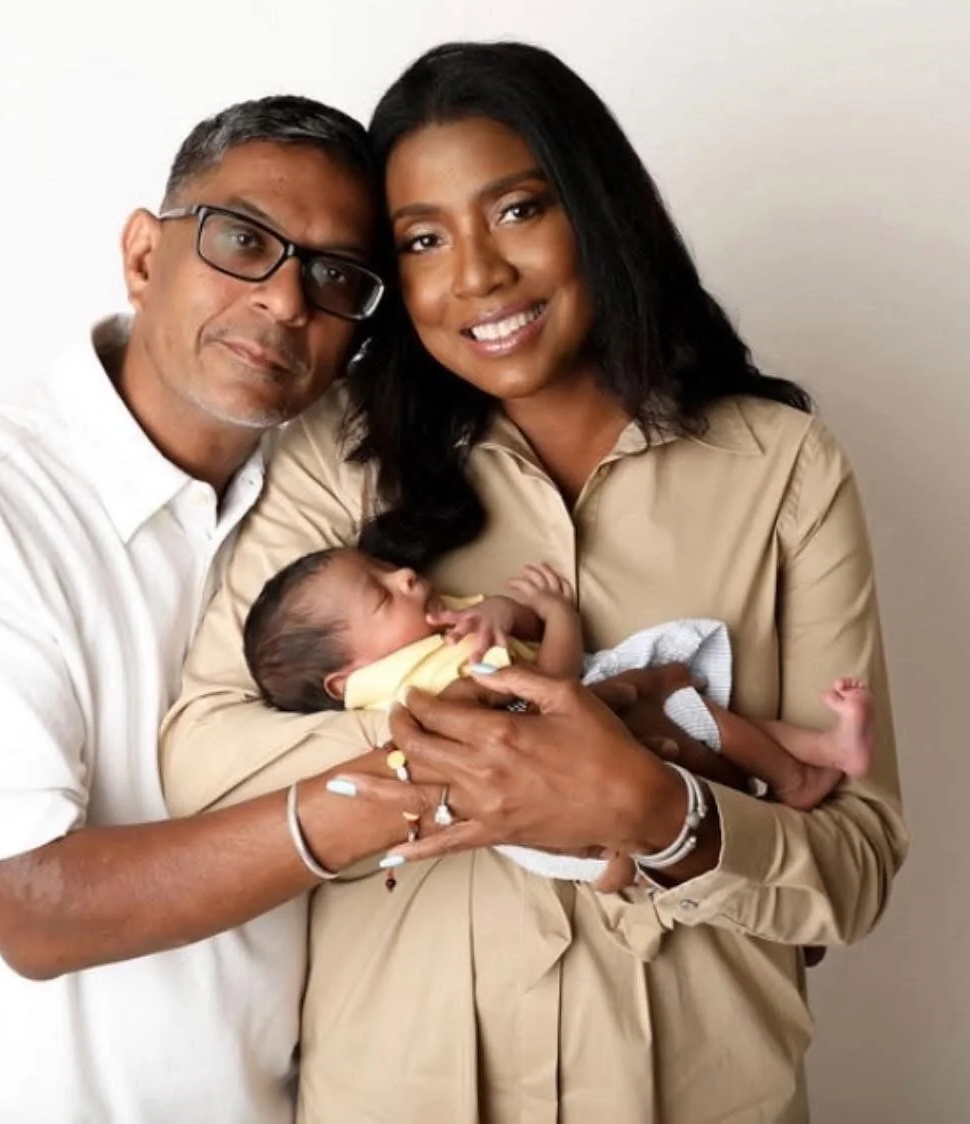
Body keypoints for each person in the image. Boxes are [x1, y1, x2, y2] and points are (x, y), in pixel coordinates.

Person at [160, 42, 908, 1123]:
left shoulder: (785, 468)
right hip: (402, 1092)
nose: (476, 274)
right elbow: (204, 758)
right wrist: (469, 742)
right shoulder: (340, 455)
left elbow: (857, 864)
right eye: (422, 238)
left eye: (516, 211)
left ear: (599, 210)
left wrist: (658, 811)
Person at [0, 95, 449, 1124]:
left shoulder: (344, 499)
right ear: (141, 255)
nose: (286, 301)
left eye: (334, 277)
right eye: (245, 240)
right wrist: (402, 788)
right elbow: (35, 907)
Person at [242, 546, 875, 820]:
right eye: (381, 596)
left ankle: (820, 753)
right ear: (345, 681)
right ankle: (801, 775)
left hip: (587, 727)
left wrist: (498, 611)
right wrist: (559, 617)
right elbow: (555, 682)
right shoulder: (421, 682)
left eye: (385, 568)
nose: (407, 576)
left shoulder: (425, 638)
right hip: (580, 721)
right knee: (690, 705)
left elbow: (499, 625)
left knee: (694, 717)